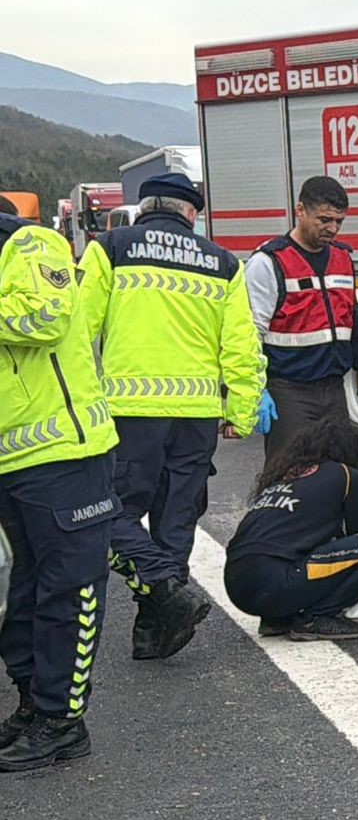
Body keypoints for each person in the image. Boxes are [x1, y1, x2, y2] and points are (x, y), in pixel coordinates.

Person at [79, 172, 268, 661]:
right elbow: (243, 348)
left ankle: (161, 592)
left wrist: (79, 404)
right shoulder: (223, 263)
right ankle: (156, 628)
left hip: (128, 411)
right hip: (197, 416)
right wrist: (241, 411)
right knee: (176, 517)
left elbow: (79, 331)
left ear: (145, 207)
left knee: (110, 512)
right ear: (192, 214)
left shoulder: (111, 247)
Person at [0, 212, 119, 771]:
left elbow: (45, 317)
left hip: (65, 456)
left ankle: (61, 722)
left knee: (69, 593)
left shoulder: (30, 242)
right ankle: (33, 704)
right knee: (28, 592)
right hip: (16, 459)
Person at [246, 176, 358, 457]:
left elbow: (352, 321)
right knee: (291, 476)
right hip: (288, 391)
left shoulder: (342, 259)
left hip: (333, 389)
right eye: (324, 220)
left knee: (338, 476)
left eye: (339, 221)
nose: (332, 229)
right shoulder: (269, 262)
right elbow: (250, 335)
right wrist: (255, 389)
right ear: (300, 211)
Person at [223, 419, 358, 642]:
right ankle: (316, 617)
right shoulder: (345, 474)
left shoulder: (284, 477)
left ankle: (277, 618)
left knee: (299, 546)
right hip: (276, 583)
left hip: (237, 586)